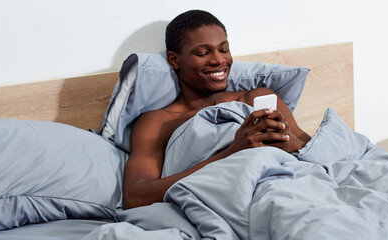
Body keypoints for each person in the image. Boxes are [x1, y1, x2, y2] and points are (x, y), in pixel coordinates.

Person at [122, 10, 311, 209]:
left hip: (291, 189)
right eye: (203, 53)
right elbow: (135, 198)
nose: (218, 60)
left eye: (224, 49)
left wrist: (291, 142)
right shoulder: (158, 122)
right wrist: (232, 152)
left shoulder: (257, 99)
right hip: (236, 204)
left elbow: (316, 153)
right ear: (174, 60)